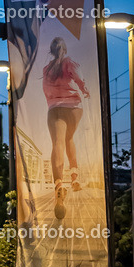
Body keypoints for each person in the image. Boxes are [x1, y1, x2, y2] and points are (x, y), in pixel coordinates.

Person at [42, 37, 90, 219]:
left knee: (57, 144)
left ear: (52, 52)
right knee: (69, 138)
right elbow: (79, 79)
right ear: (65, 49)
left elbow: (46, 91)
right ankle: (75, 177)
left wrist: (54, 101)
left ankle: (59, 183)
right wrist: (85, 91)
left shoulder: (46, 70)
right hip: (74, 108)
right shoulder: (70, 63)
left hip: (54, 108)